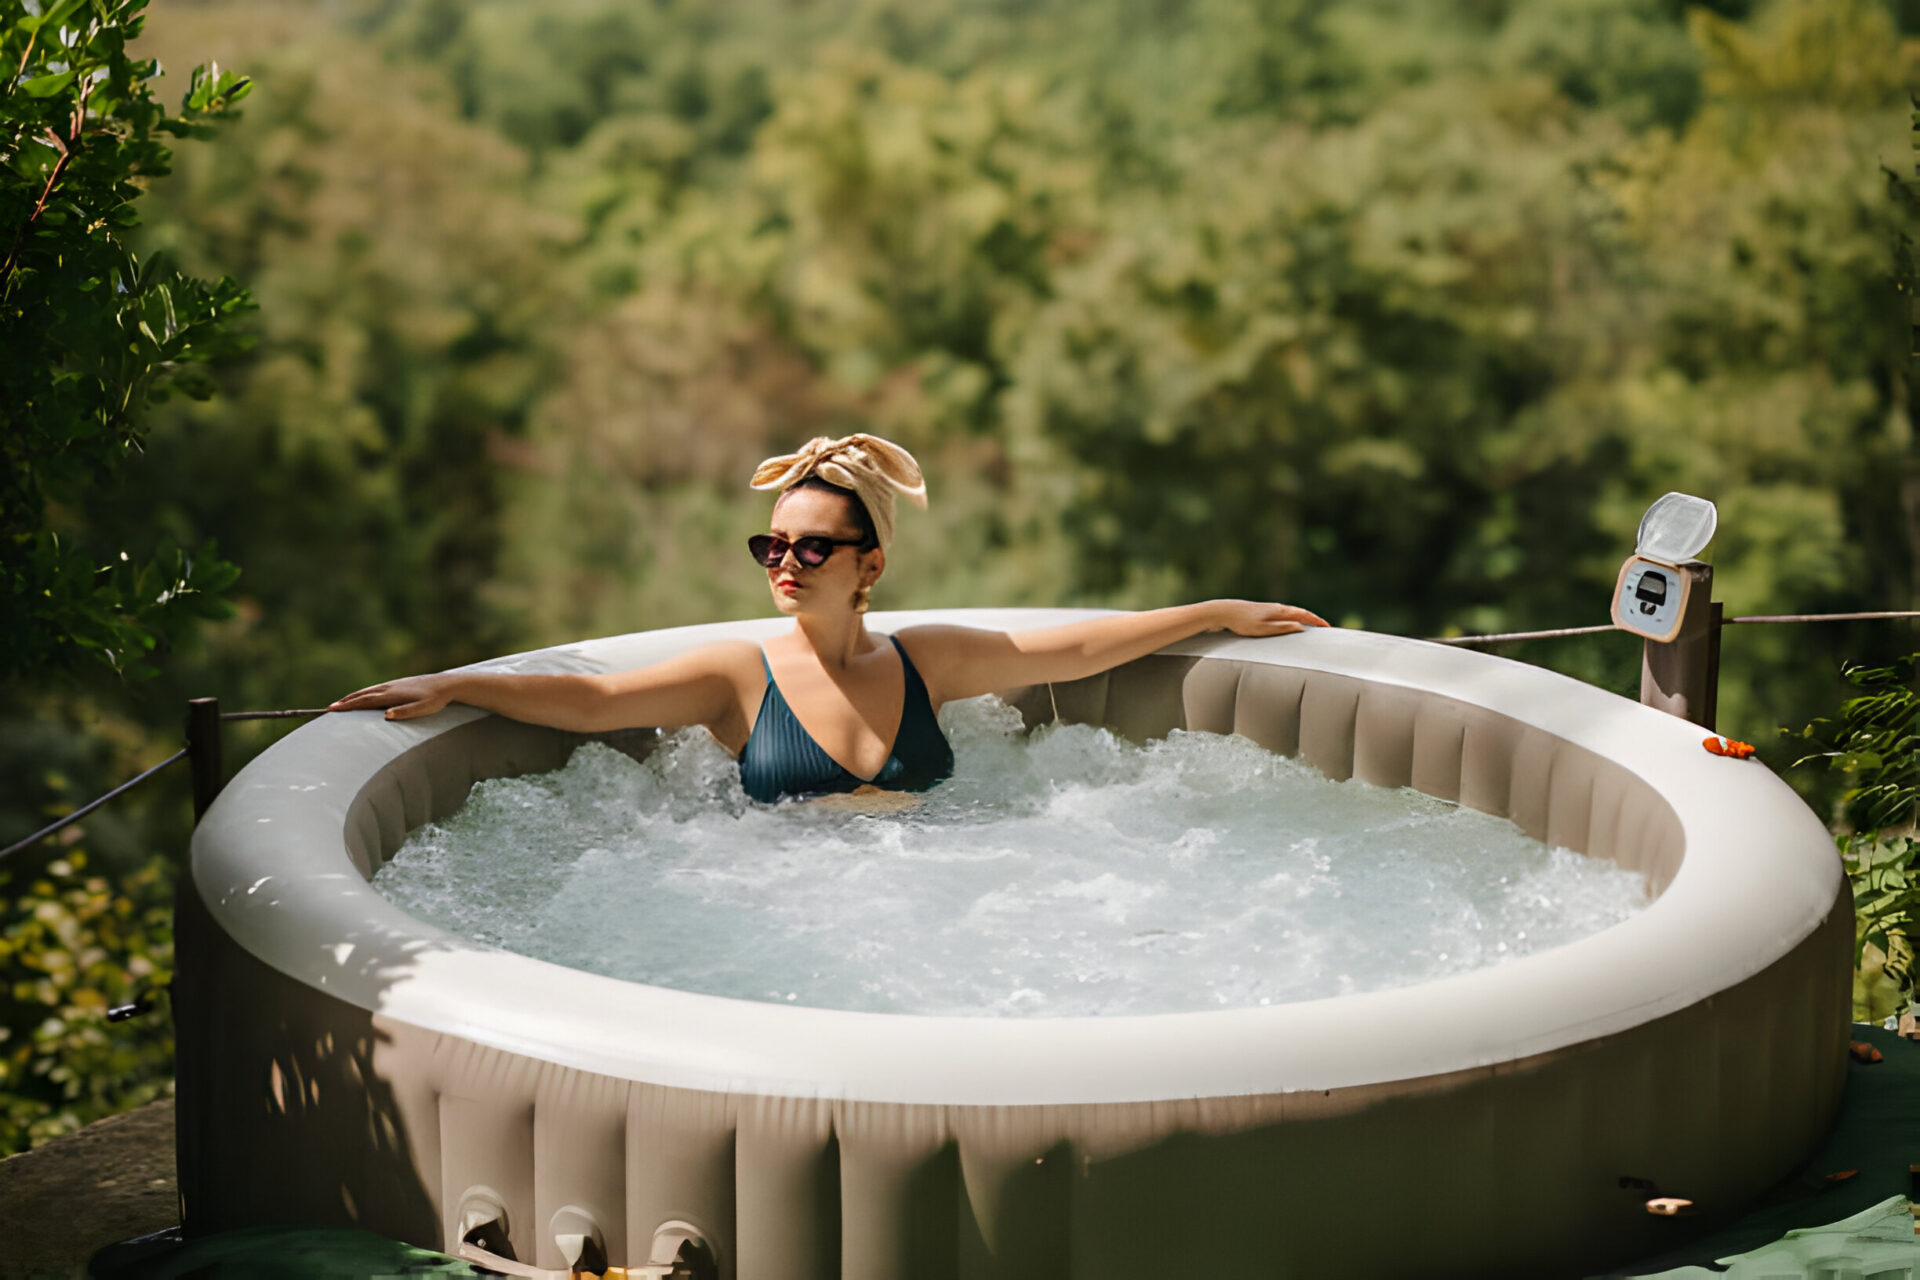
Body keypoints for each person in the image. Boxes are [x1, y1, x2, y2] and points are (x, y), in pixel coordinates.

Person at [328, 433, 1328, 803]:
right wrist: (456, 680)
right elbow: (592, 699)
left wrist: (1212, 610)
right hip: (795, 917)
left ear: (870, 563)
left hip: (947, 899)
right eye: (772, 546)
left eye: (811, 547)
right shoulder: (737, 676)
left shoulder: (925, 661)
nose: (785, 564)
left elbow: (1064, 645)